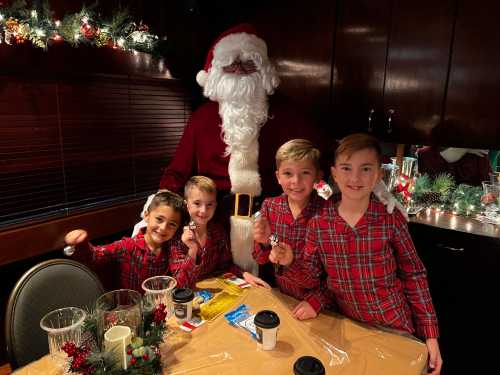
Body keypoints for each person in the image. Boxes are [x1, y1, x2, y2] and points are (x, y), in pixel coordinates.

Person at [158, 23, 330, 274]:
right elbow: (176, 173)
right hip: (216, 228)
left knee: (273, 295)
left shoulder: (288, 114)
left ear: (263, 71)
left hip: (273, 226)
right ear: (217, 72)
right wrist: (156, 210)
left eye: (248, 65)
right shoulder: (201, 118)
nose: (238, 70)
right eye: (230, 65)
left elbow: (329, 155)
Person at [277, 134, 442, 375]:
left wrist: (430, 335)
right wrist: (290, 262)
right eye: (346, 168)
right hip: (347, 327)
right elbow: (315, 280)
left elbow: (414, 275)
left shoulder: (390, 218)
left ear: (377, 175)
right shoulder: (320, 222)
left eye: (365, 169)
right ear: (334, 173)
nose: (354, 178)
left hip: (395, 327)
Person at [253, 139, 334, 320]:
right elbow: (260, 258)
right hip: (283, 299)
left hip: (321, 308)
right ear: (278, 176)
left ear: (317, 176)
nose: (296, 181)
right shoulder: (270, 206)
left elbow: (337, 273)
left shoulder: (328, 212)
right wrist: (264, 243)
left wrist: (317, 301)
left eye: (305, 173)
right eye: (288, 173)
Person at [64, 190, 186, 293]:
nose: (163, 228)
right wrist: (81, 243)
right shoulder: (127, 246)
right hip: (129, 311)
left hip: (160, 310)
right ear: (147, 216)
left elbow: (182, 280)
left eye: (172, 224)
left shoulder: (171, 249)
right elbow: (95, 256)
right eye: (159, 219)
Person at [169, 176, 269, 289]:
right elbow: (179, 284)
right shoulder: (177, 237)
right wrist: (192, 251)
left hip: (214, 293)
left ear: (215, 205)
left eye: (209, 204)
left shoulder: (218, 231)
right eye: (197, 203)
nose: (203, 210)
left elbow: (225, 265)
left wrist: (244, 274)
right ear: (186, 204)